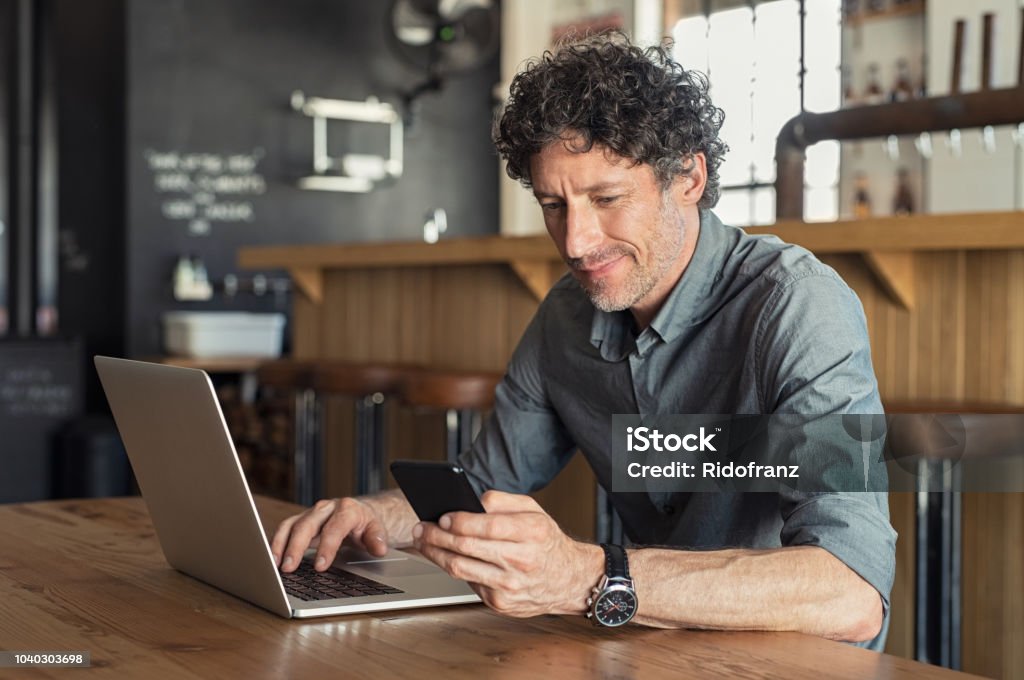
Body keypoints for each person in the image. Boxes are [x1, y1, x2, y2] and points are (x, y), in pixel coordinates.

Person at [272, 33, 895, 650]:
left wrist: (588, 576)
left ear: (690, 178)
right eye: (553, 205)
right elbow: (485, 482)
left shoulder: (799, 305)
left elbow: (852, 592)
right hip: (652, 649)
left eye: (607, 198)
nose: (574, 241)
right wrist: (373, 517)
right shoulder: (568, 315)